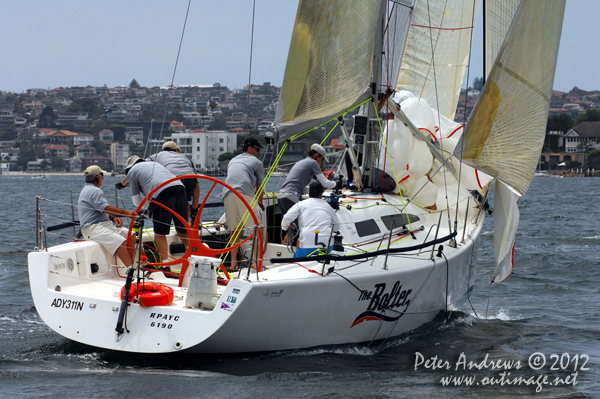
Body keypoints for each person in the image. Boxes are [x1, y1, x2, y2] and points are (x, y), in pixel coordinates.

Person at [124, 155, 189, 262]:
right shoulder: (155, 164)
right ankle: (192, 257)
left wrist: (151, 207)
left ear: (129, 168)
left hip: (162, 192)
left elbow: (136, 201)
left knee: (160, 233)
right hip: (180, 187)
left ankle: (165, 265)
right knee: (182, 228)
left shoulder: (132, 172)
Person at [78, 165, 138, 266]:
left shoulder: (88, 190)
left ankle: (131, 267)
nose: (103, 178)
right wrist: (126, 213)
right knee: (120, 241)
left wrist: (113, 217)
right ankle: (132, 271)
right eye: (102, 175)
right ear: (97, 177)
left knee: (131, 236)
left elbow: (99, 209)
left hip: (103, 225)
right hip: (92, 228)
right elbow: (105, 208)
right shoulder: (94, 191)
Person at [278, 143, 336, 242]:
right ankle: (300, 256)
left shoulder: (302, 162)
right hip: (291, 197)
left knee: (294, 228)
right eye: (322, 159)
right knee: (303, 228)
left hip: (282, 197)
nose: (321, 163)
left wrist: (315, 188)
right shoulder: (313, 163)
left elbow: (302, 187)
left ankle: (284, 249)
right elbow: (325, 182)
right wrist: (335, 183)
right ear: (317, 155)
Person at [222, 137, 265, 270]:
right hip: (244, 193)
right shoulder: (257, 162)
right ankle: (256, 262)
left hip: (227, 193)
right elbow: (260, 187)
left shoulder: (233, 160)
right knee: (258, 229)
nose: (259, 153)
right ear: (250, 149)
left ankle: (233, 264)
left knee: (234, 231)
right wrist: (260, 204)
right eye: (257, 150)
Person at [281, 181, 341, 258]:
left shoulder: (300, 204)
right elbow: (337, 227)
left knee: (297, 260)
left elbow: (287, 217)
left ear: (309, 192)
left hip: (307, 246)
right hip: (326, 247)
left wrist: (284, 227)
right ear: (321, 194)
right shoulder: (329, 207)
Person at [146, 141, 200, 222]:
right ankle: (191, 217)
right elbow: (196, 183)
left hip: (171, 180)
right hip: (189, 179)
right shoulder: (186, 158)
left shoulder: (157, 155)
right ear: (176, 150)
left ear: (163, 150)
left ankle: (161, 219)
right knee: (185, 201)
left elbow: (141, 164)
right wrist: (194, 208)